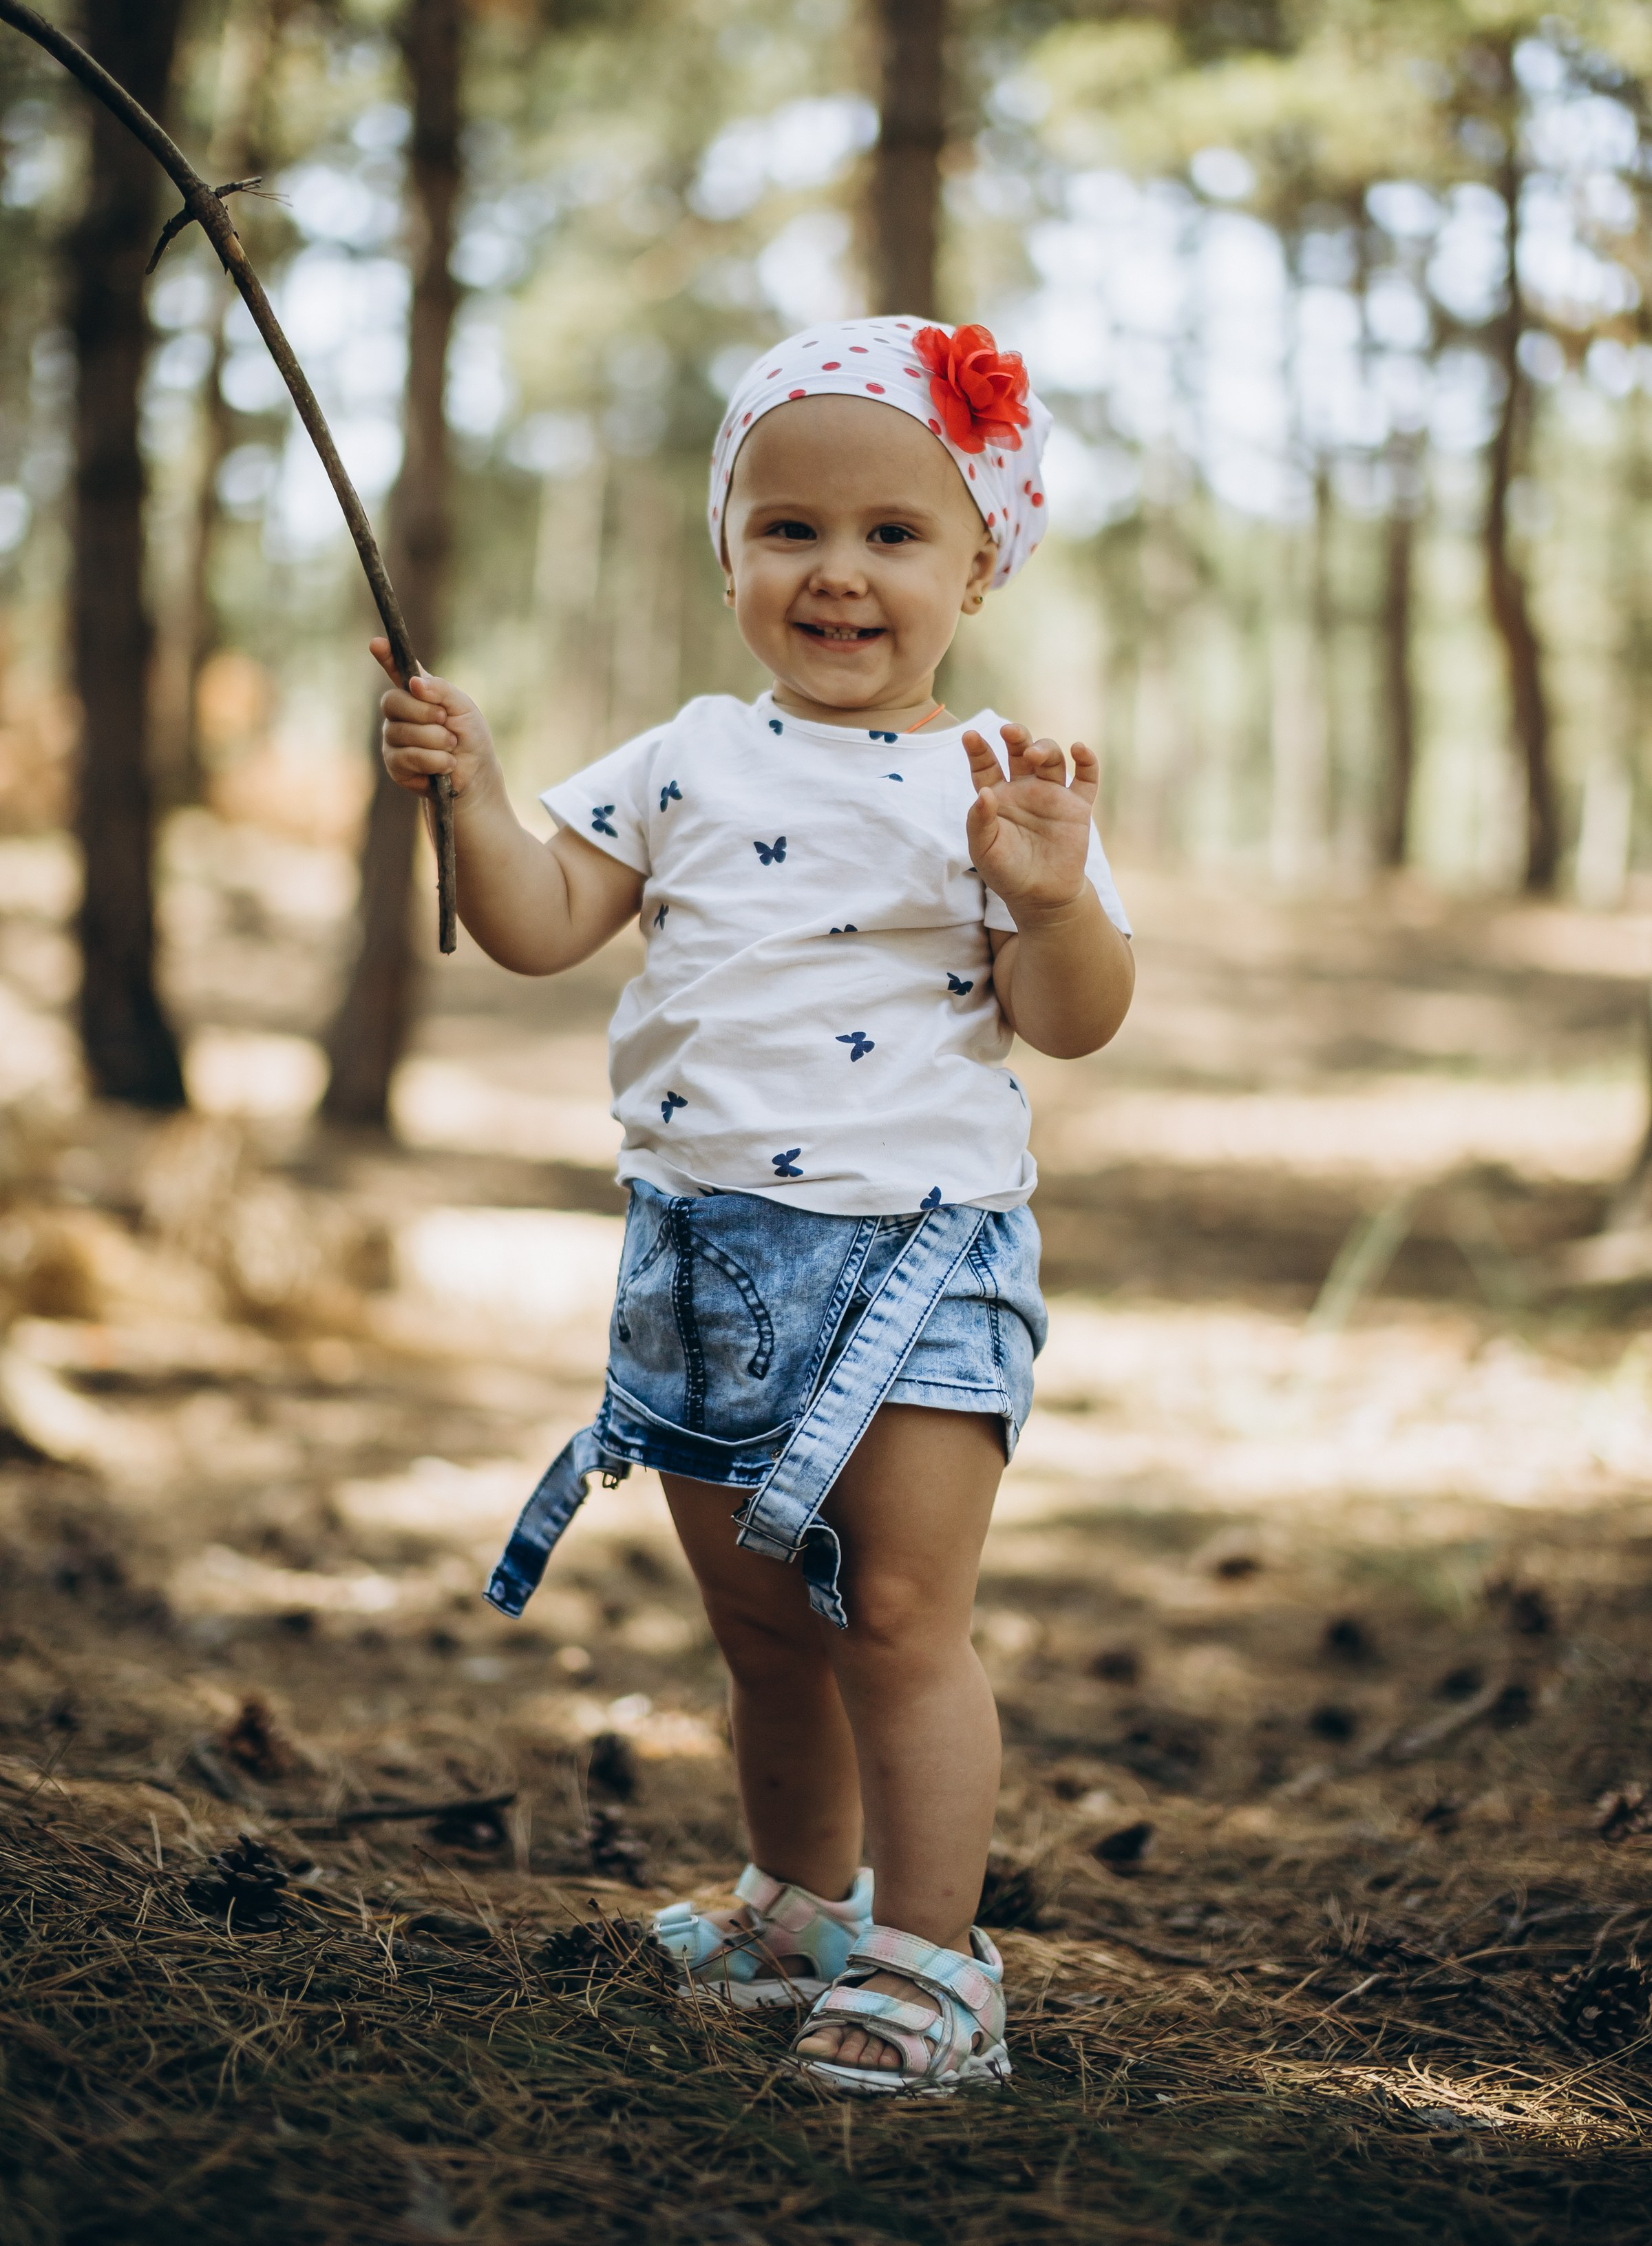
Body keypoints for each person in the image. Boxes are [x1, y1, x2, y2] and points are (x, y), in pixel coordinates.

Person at [372, 316, 1135, 2097]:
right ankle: (799, 1906)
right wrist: (472, 791)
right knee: (765, 1629)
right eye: (789, 528)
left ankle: (935, 1966)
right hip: (705, 1251)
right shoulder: (684, 757)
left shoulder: (1004, 784)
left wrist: (1049, 902)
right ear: (729, 555)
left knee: (899, 1618)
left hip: (921, 1256)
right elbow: (537, 922)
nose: (838, 572)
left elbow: (1074, 1022)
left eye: (894, 535)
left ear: (977, 567)